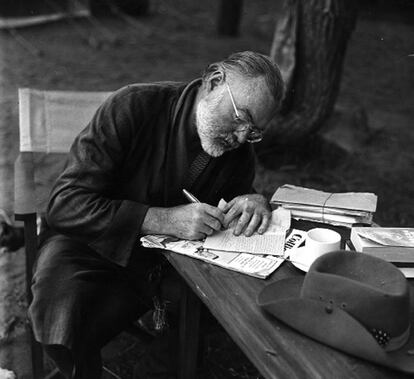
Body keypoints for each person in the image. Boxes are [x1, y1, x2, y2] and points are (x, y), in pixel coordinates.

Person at [29, 51, 284, 378]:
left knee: (205, 319)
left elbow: (234, 205)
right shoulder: (133, 106)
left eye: (253, 131)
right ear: (214, 83)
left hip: (164, 264)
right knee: (65, 312)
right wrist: (162, 219)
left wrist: (253, 201)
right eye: (240, 117)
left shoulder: (239, 152)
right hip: (88, 247)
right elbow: (65, 204)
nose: (240, 137)